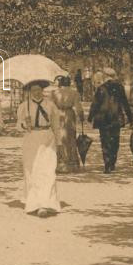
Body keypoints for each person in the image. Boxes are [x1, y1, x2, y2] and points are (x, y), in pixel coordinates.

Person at [16, 80, 62, 217]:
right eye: (33, 90)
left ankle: (46, 203)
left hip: (47, 138)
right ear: (29, 92)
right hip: (31, 139)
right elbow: (18, 125)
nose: (36, 92)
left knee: (48, 170)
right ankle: (34, 203)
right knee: (32, 170)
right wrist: (25, 124)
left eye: (38, 89)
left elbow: (56, 125)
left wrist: (59, 143)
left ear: (42, 90)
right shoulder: (24, 106)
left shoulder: (50, 105)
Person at [88, 67, 133, 173]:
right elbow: (125, 103)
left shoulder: (101, 88)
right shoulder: (119, 87)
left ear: (105, 76)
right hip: (116, 118)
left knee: (105, 141)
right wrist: (130, 117)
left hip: (103, 119)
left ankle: (107, 164)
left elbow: (95, 104)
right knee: (115, 140)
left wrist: (90, 117)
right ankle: (112, 162)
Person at [51, 76, 84, 173]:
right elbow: (78, 107)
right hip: (69, 115)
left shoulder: (55, 93)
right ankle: (72, 164)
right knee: (70, 138)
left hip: (58, 115)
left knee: (59, 138)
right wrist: (81, 117)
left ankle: (60, 163)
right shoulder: (74, 93)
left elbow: (51, 106)